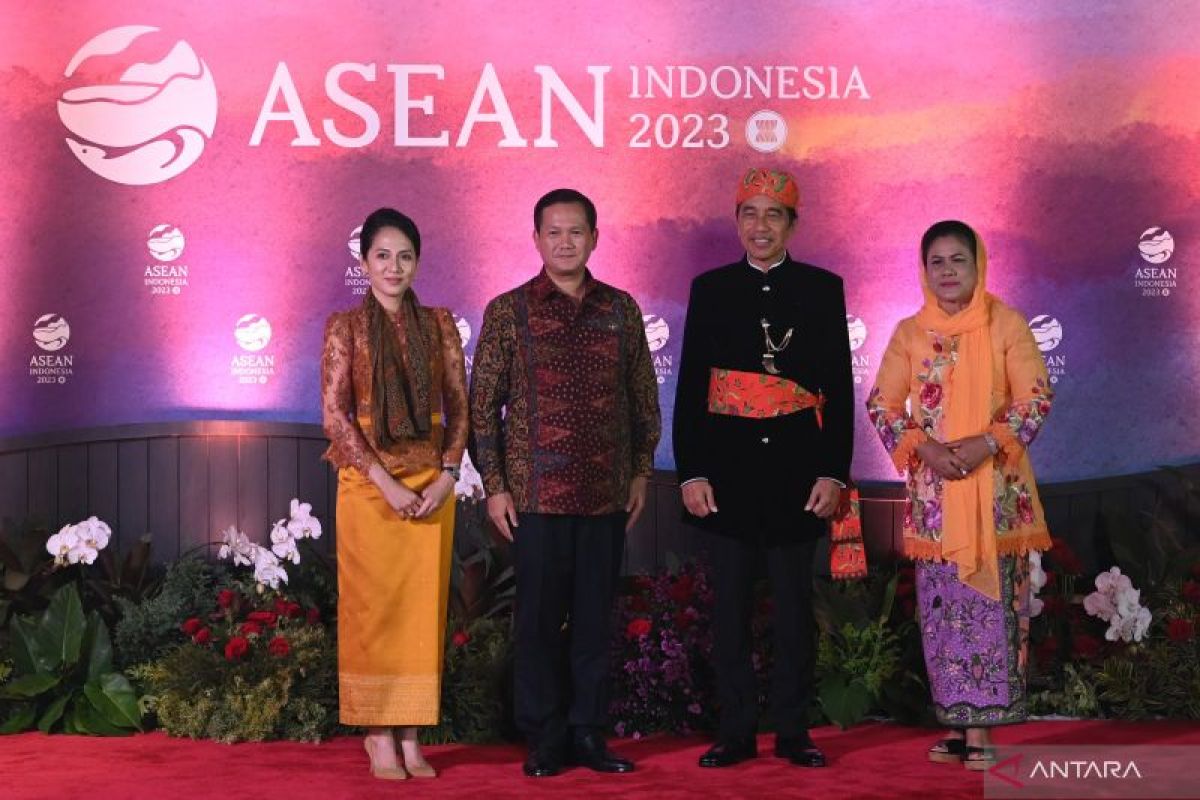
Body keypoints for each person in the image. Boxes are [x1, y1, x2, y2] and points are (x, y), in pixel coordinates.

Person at [469, 188, 660, 778]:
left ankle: (588, 732)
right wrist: (496, 484)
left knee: (594, 622)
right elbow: (483, 408)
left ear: (595, 238)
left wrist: (640, 471)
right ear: (535, 240)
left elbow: (643, 397)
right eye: (553, 232)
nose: (564, 242)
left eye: (575, 232)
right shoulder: (510, 310)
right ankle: (544, 736)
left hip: (605, 495)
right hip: (534, 498)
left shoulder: (621, 309)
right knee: (537, 623)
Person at [673, 167, 853, 769]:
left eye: (773, 214)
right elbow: (693, 382)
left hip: (799, 479)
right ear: (737, 222)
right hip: (727, 478)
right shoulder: (711, 289)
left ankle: (794, 730)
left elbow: (839, 388)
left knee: (795, 614)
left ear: (793, 224)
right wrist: (692, 470)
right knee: (729, 615)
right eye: (749, 213)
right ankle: (736, 731)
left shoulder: (824, 290)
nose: (760, 226)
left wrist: (833, 472)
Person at [866, 220, 1053, 769]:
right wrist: (925, 449)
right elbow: (882, 403)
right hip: (936, 498)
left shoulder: (1006, 324)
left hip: (996, 498)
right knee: (944, 614)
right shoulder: (909, 332)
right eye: (937, 262)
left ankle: (983, 732)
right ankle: (958, 722)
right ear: (924, 271)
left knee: (994, 610)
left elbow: (1036, 396)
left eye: (958, 260)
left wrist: (985, 443)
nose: (948, 272)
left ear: (979, 264)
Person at [321, 207, 468, 780]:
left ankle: (411, 734)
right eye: (382, 255)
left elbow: (459, 407)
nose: (394, 266)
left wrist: (448, 474)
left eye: (405, 256)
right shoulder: (344, 328)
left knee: (421, 613)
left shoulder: (439, 325)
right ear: (364, 263)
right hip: (367, 488)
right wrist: (382, 480)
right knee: (371, 612)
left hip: (430, 489)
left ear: (418, 262)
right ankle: (377, 733)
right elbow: (335, 416)